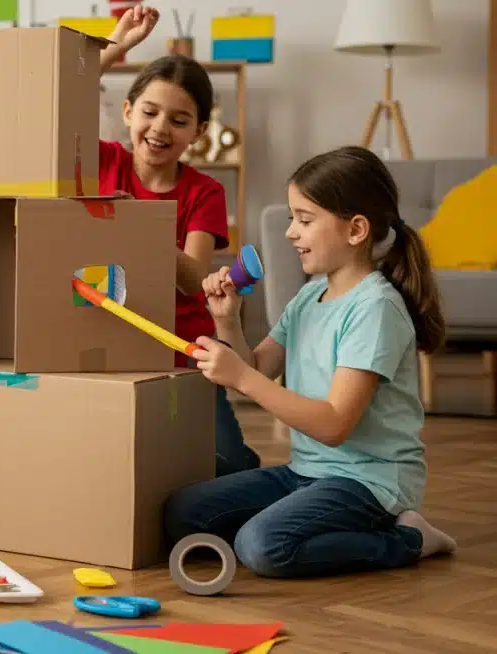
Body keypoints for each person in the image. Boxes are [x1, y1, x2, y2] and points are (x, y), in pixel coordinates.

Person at [164, 145, 458, 578]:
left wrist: (241, 376)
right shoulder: (308, 296)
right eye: (291, 219)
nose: (290, 233)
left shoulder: (375, 309)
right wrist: (226, 323)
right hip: (306, 472)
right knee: (180, 512)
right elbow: (260, 366)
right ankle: (295, 526)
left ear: (356, 230)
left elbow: (333, 424)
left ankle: (408, 539)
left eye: (304, 220)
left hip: (368, 482)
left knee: (263, 546)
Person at [97, 4, 259, 477]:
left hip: (182, 353)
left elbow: (192, 281)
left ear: (199, 133)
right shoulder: (104, 162)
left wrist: (138, 226)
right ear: (128, 112)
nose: (160, 128)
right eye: (149, 112)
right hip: (107, 344)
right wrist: (117, 46)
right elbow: (57, 100)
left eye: (179, 120)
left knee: (227, 464)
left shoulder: (204, 191)